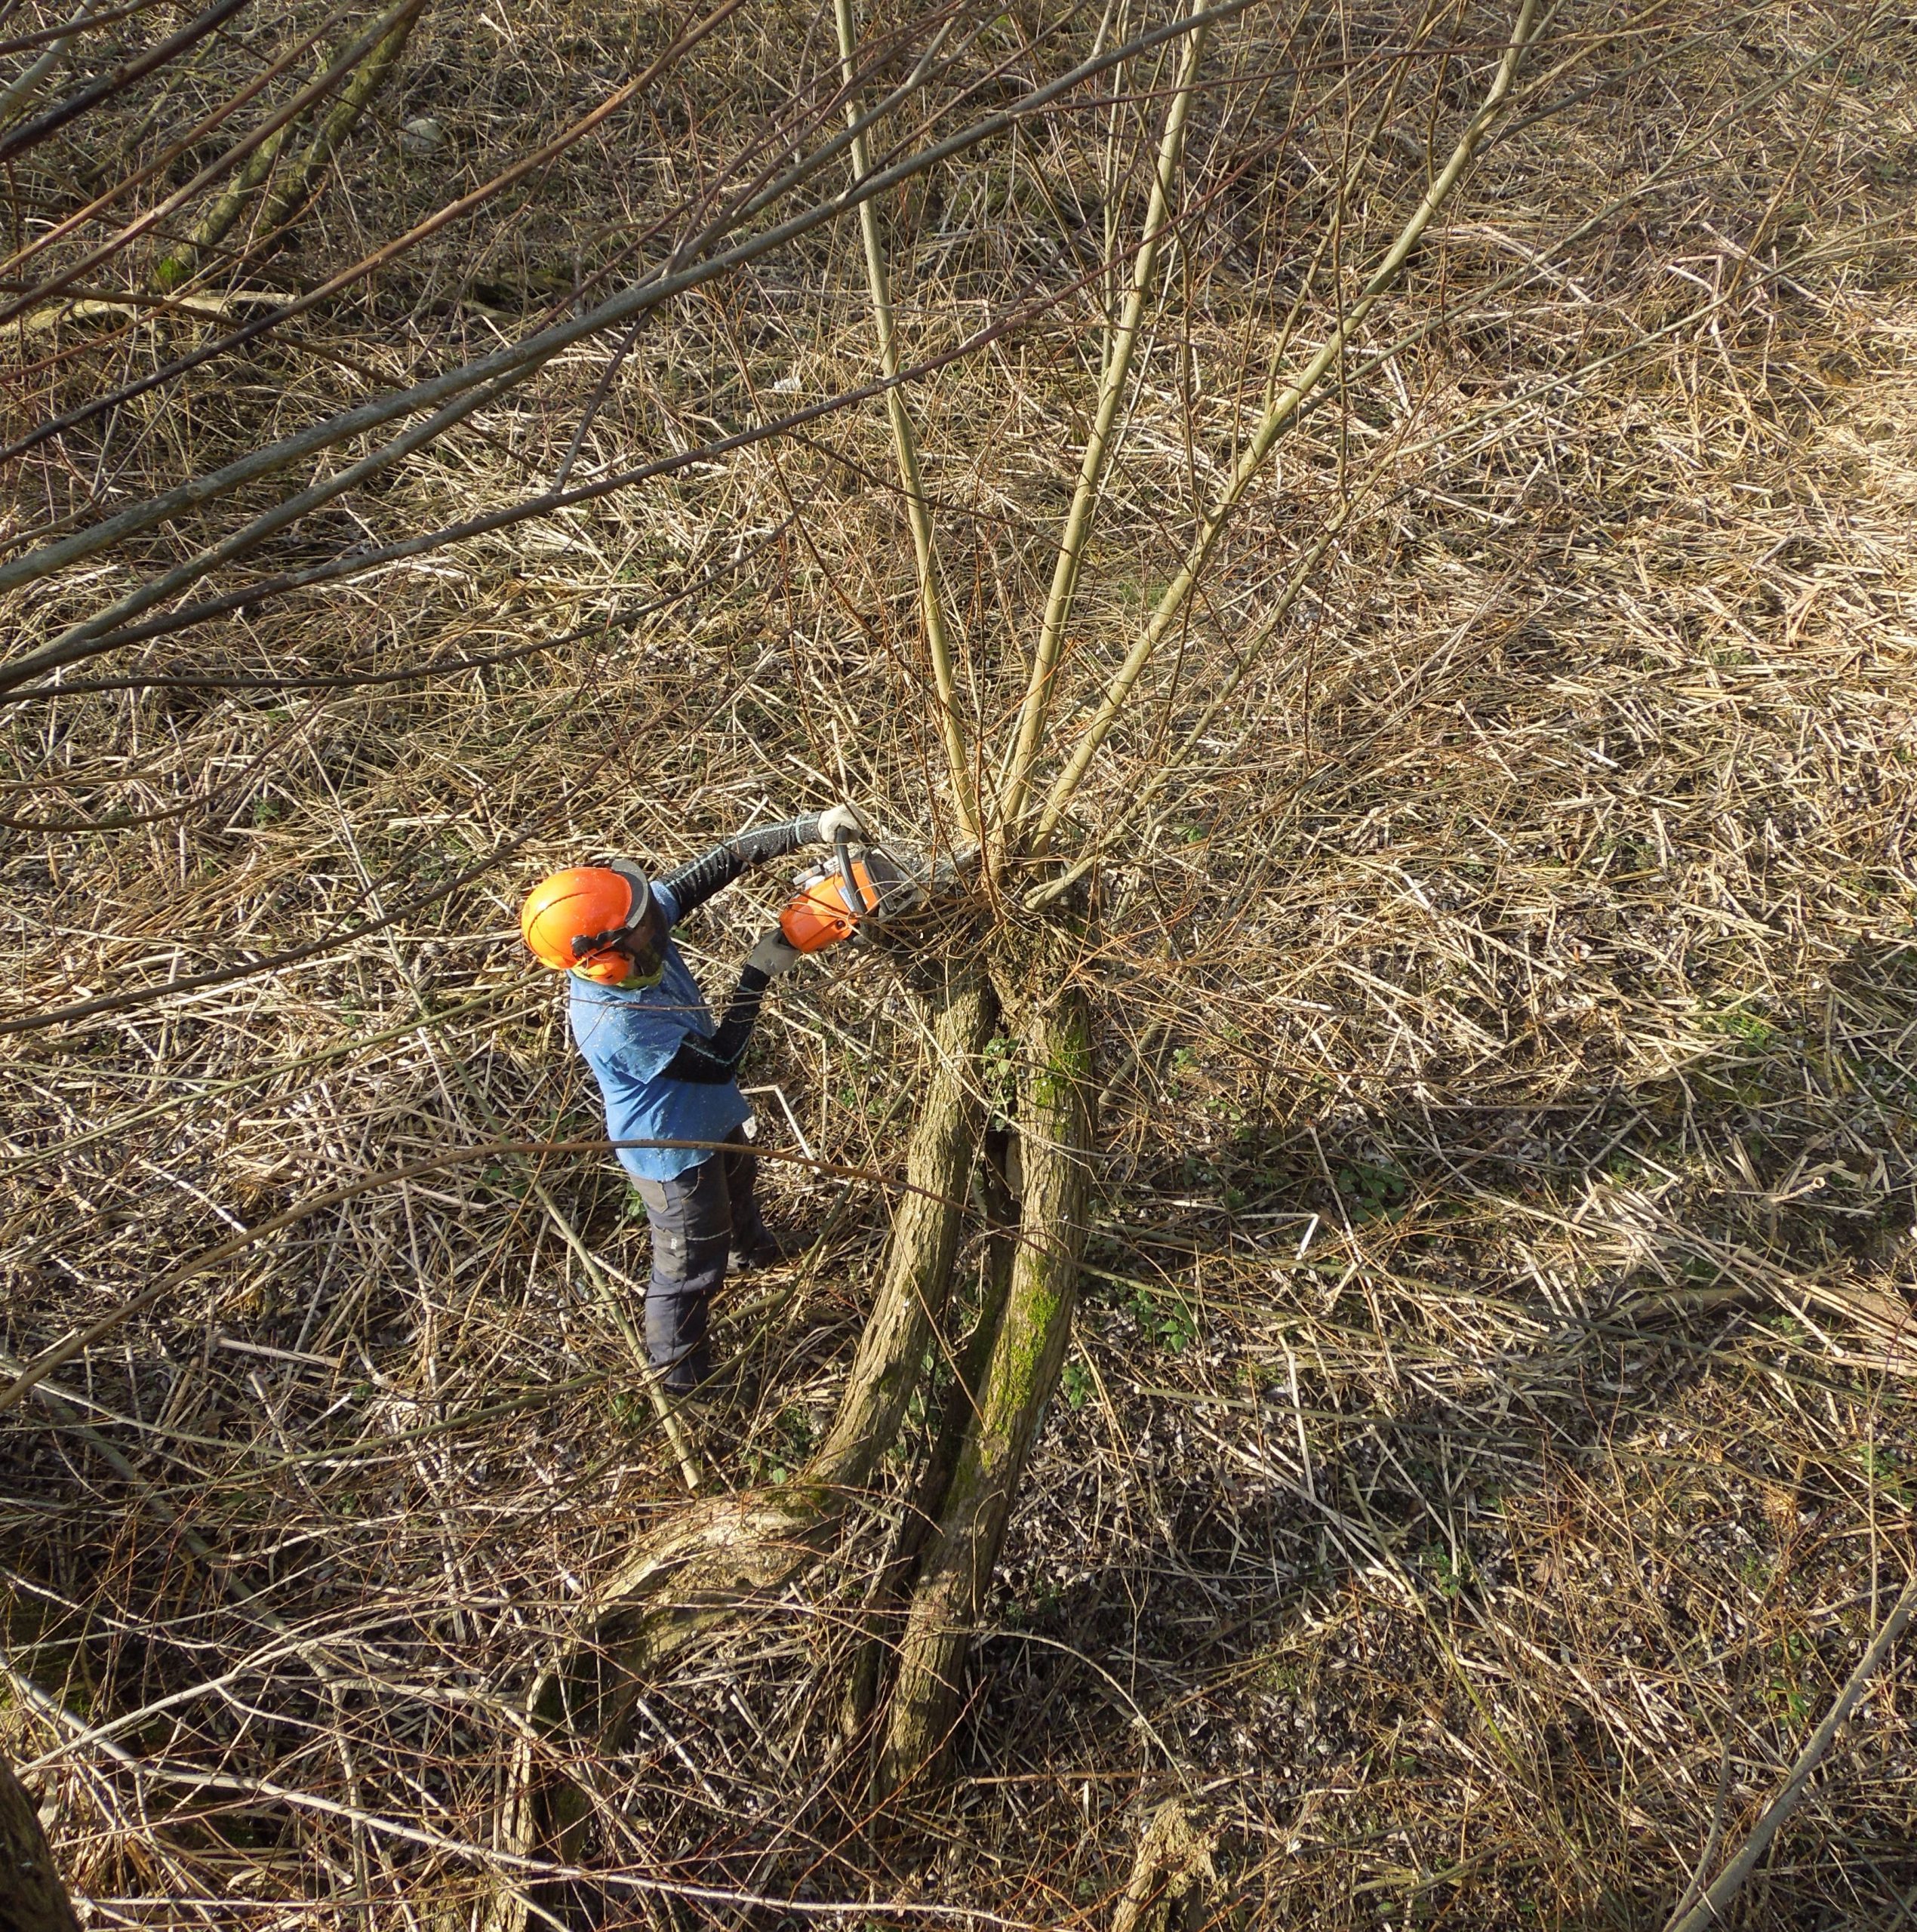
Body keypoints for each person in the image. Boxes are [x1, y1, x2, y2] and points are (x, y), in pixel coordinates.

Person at [518, 805, 865, 1392]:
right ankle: (681, 1380)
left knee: (740, 1184)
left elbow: (725, 858)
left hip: (712, 1114)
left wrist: (810, 829)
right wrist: (760, 969)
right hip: (672, 1151)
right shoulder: (617, 1022)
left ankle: (752, 1253)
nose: (658, 917)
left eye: (647, 911)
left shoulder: (635, 920)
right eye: (643, 925)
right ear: (607, 961)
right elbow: (722, 1061)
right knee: (687, 1269)